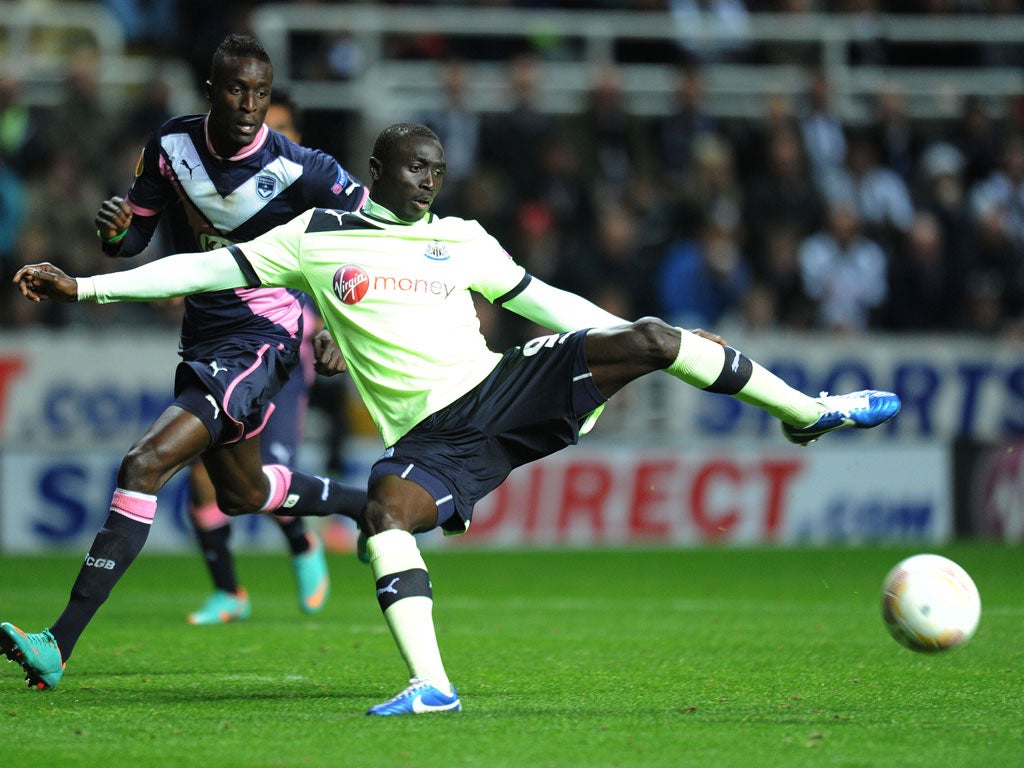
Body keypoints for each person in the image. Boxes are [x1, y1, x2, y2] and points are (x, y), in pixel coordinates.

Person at [11, 123, 902, 716]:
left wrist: (619, 336)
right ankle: (432, 686)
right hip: (432, 441)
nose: (430, 180)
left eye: (437, 169)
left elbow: (546, 302)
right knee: (384, 514)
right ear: (378, 172)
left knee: (657, 338)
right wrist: (86, 283)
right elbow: (201, 273)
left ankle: (808, 411)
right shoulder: (318, 237)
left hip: (501, 389)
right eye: (416, 168)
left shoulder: (464, 237)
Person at [0, 34, 370, 690]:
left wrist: (345, 325)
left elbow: (377, 235)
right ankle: (366, 506)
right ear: (210, 90)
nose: (251, 104)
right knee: (243, 491)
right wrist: (114, 231)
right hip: (204, 336)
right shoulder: (170, 146)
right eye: (237, 90)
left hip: (263, 336)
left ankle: (58, 642)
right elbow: (134, 237)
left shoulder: (302, 166)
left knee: (144, 464)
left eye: (260, 91)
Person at [184, 89, 342, 625]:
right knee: (204, 479)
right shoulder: (233, 196)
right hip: (224, 344)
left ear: (294, 138)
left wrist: (333, 326)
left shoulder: (316, 203)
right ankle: (229, 591)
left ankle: (302, 543)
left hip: (284, 356)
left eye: (279, 129)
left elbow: (344, 271)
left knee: (261, 480)